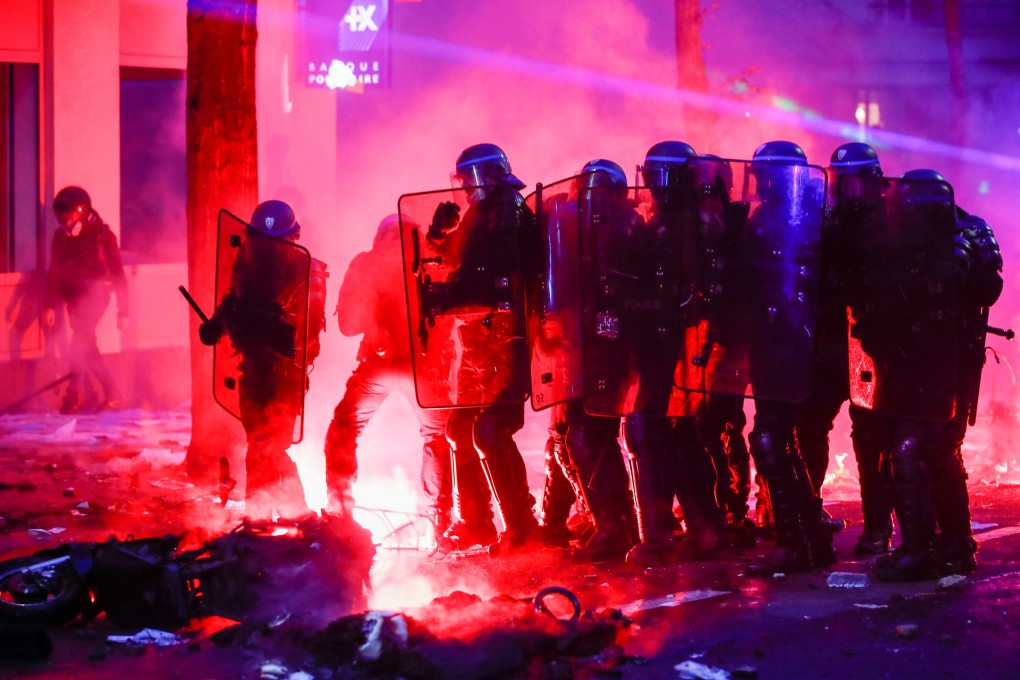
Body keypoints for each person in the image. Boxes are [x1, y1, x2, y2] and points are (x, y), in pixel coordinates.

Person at [426, 143, 537, 554]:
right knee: (459, 430)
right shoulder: (482, 212)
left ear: (491, 174)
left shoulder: (508, 209)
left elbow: (493, 276)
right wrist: (440, 235)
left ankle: (522, 526)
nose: (467, 188)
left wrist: (451, 296)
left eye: (471, 178)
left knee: (491, 432)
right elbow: (455, 262)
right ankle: (477, 524)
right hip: (477, 339)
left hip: (505, 338)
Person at [322, 214, 453, 538]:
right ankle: (440, 524)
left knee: (343, 429)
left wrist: (375, 328)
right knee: (437, 437)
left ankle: (340, 515)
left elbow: (348, 324)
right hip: (422, 366)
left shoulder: (368, 263)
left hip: (380, 364)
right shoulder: (430, 261)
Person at [199, 200, 327, 519]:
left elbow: (308, 335)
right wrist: (217, 324)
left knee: (266, 447)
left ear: (292, 238)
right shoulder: (247, 260)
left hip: (285, 376)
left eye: (276, 242)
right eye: (262, 241)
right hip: (252, 370)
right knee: (258, 445)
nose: (268, 249)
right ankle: (276, 516)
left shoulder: (307, 270)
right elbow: (233, 299)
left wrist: (282, 343)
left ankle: (285, 515)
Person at [742, 141, 834, 576]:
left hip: (798, 343)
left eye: (765, 175)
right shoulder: (765, 216)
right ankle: (809, 535)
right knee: (781, 440)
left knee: (771, 439)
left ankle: (794, 541)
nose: (759, 183)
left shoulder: (814, 218)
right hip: (773, 340)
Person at [822, 142, 894, 555]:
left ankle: (879, 526)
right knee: (804, 423)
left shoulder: (891, 222)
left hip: (871, 342)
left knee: (871, 436)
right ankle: (803, 519)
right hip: (829, 339)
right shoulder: (824, 222)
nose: (843, 190)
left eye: (851, 182)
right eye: (838, 181)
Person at [43, 186, 128, 414]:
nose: (65, 222)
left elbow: (118, 273)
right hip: (74, 299)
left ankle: (75, 396)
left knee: (80, 343)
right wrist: (50, 304)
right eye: (61, 217)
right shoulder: (60, 238)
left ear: (82, 213)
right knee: (87, 345)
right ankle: (111, 394)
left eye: (69, 216)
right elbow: (55, 272)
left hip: (96, 296)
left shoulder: (102, 236)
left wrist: (124, 309)